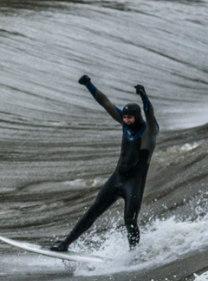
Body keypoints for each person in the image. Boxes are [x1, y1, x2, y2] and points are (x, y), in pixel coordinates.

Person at [50, 76, 159, 252]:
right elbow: (106, 103)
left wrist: (145, 97)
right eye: (125, 117)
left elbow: (150, 114)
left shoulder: (150, 132)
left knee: (130, 220)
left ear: (138, 117)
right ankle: (65, 244)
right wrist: (89, 85)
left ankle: (135, 255)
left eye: (130, 118)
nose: (126, 120)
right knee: (93, 211)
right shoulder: (125, 124)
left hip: (134, 183)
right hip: (117, 178)